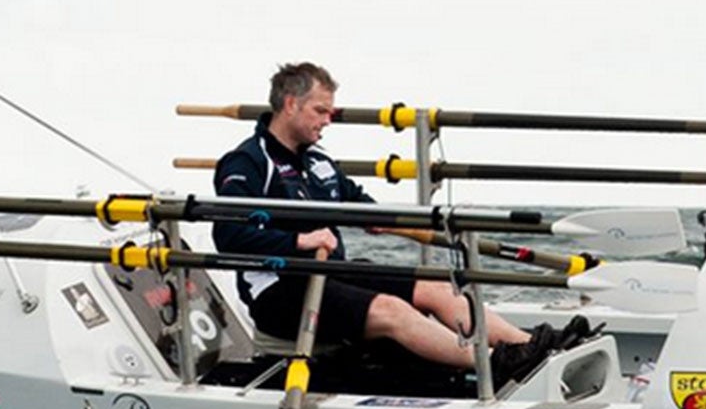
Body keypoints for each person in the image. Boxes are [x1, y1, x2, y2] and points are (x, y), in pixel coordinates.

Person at [212, 62, 576, 386]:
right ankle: (497, 364)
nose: (327, 121)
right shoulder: (247, 162)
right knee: (392, 310)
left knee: (435, 287)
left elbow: (357, 203)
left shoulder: (318, 161)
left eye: (331, 112)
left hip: (329, 275)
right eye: (320, 111)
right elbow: (227, 236)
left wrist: (387, 220)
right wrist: (299, 242)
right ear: (290, 104)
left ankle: (531, 348)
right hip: (279, 290)